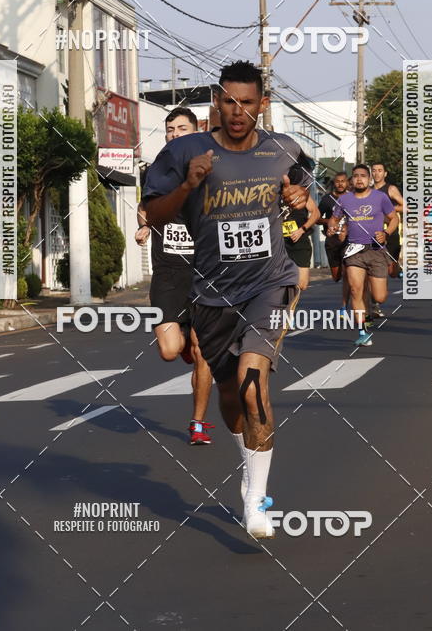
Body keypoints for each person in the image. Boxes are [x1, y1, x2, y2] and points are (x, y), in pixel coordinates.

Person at [143, 60, 311, 539]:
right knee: (232, 397)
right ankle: (247, 460)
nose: (239, 112)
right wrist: (188, 186)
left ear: (263, 105)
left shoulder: (284, 148)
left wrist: (302, 198)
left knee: (253, 381)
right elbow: (153, 214)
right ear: (216, 102)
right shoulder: (184, 152)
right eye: (230, 102)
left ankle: (258, 500)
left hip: (270, 284)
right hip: (212, 294)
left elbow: (305, 192)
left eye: (249, 103)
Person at [136, 107, 214, 445]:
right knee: (170, 350)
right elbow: (145, 207)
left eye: (182, 128)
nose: (174, 134)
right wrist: (143, 225)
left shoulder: (213, 172)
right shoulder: (158, 171)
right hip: (168, 273)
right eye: (169, 129)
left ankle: (197, 424)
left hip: (206, 274)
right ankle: (184, 343)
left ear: (197, 132)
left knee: (203, 352)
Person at [328, 164, 398, 346]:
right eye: (356, 176)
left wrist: (387, 233)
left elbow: (394, 218)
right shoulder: (345, 200)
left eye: (363, 176)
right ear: (352, 180)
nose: (359, 179)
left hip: (376, 250)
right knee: (355, 290)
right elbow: (334, 219)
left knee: (380, 296)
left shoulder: (380, 197)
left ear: (369, 179)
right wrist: (332, 226)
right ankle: (362, 331)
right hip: (354, 250)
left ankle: (371, 306)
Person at [318, 172, 350, 313]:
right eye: (338, 181)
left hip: (349, 240)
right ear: (334, 183)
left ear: (347, 182)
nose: (340, 184)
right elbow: (316, 218)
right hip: (332, 241)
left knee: (348, 274)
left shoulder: (352, 198)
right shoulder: (327, 199)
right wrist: (329, 221)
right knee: (337, 277)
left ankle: (344, 305)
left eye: (343, 181)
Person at [371, 162, 404, 281]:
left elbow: (406, 207)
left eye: (380, 170)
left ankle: (397, 268)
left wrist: (388, 208)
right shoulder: (368, 191)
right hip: (374, 233)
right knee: (376, 266)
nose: (376, 173)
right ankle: (376, 293)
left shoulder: (391, 189)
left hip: (391, 232)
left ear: (385, 173)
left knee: (392, 272)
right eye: (374, 170)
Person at [282, 189, 320, 290]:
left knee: (302, 285)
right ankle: (286, 305)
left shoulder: (300, 191)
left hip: (300, 241)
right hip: (279, 243)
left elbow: (316, 213)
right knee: (282, 284)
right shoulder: (272, 191)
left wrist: (302, 230)